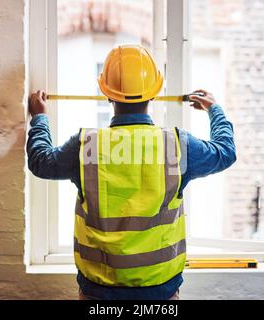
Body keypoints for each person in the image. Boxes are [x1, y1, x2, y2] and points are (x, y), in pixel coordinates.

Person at [27, 44, 236, 300]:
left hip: (99, 291)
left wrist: (39, 117)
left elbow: (40, 162)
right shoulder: (177, 145)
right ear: (154, 94)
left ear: (106, 94)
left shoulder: (87, 146)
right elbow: (225, 152)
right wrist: (214, 109)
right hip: (160, 290)